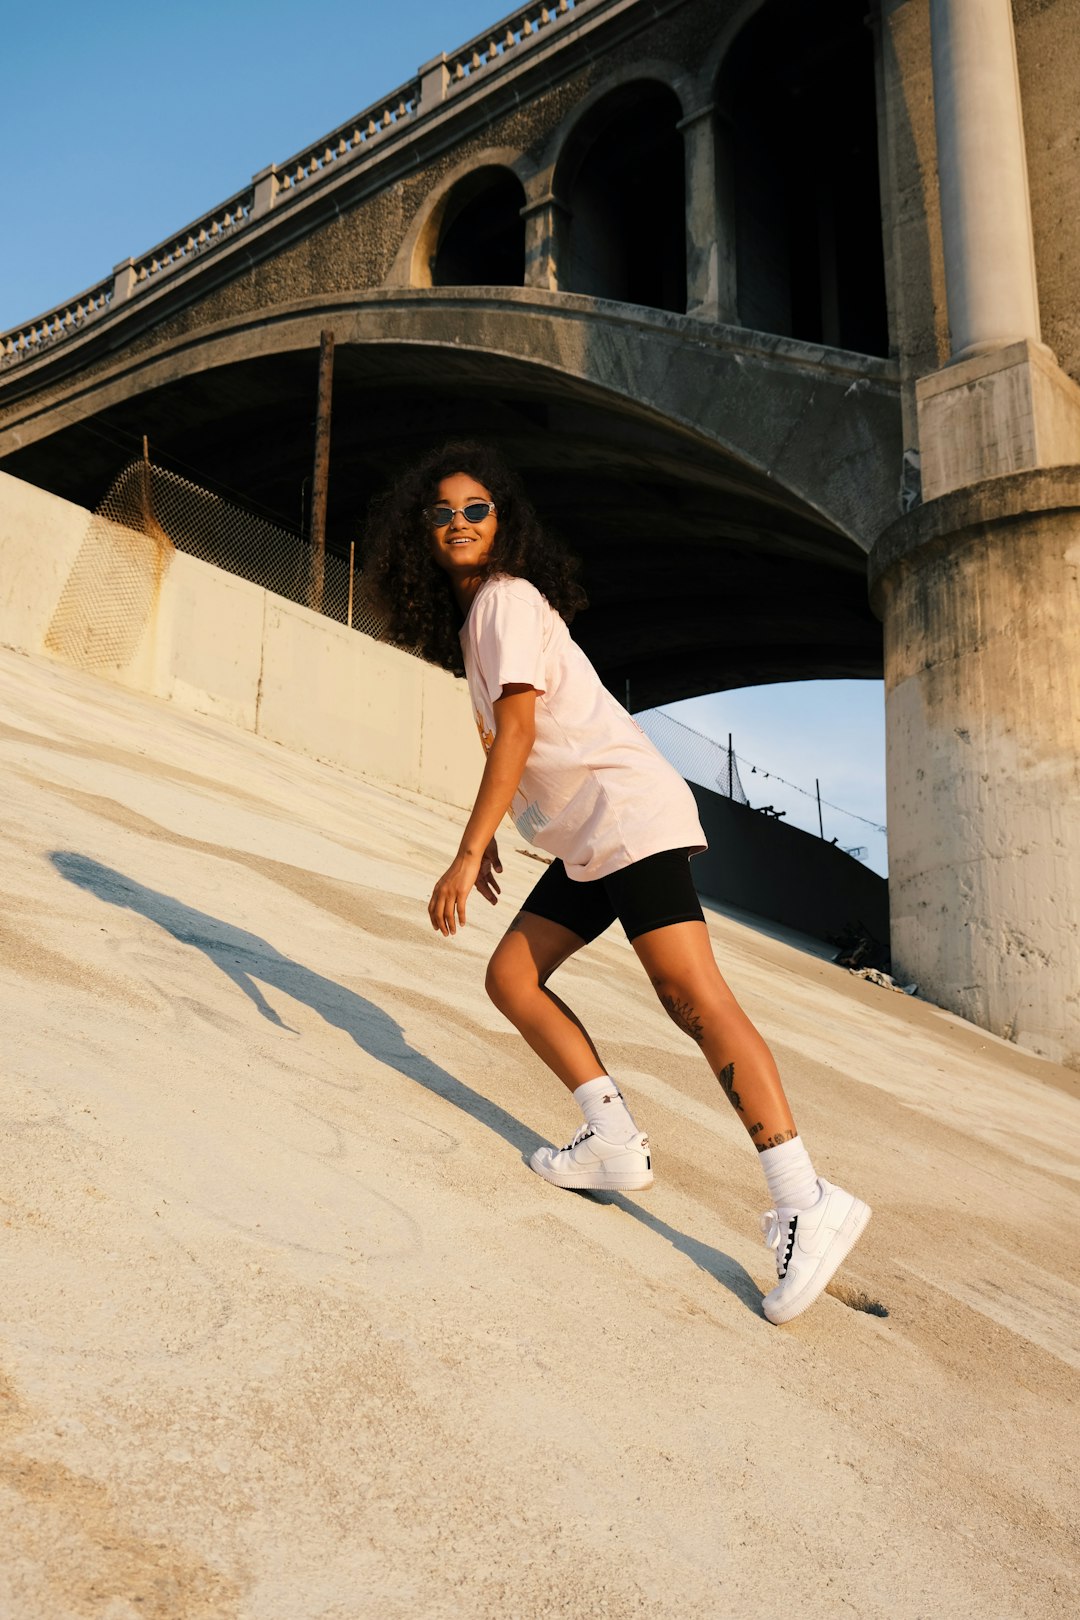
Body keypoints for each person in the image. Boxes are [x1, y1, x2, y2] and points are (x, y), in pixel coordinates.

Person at [365, 440, 870, 1324]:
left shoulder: (508, 600)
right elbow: (519, 747)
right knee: (512, 976)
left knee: (689, 991)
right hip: (586, 837)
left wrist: (467, 842)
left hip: (626, 817)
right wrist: (493, 833)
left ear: (503, 521)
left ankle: (803, 1196)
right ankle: (613, 1142)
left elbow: (520, 732)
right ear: (422, 533)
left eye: (475, 508)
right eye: (440, 512)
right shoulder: (475, 623)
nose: (457, 523)